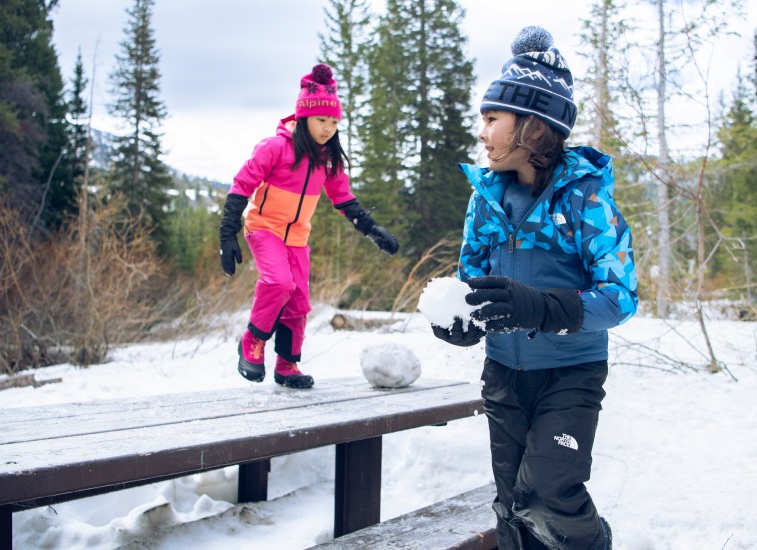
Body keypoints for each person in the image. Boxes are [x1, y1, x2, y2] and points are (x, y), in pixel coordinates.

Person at [432, 27, 638, 549]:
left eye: (492, 118)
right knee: (512, 504)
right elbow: (472, 281)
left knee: (550, 488)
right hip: (504, 373)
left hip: (571, 373)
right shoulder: (487, 199)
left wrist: (544, 309)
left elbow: (620, 297)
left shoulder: (585, 199)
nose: (482, 132)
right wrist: (463, 322)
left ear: (535, 126)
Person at [219, 63, 399, 389]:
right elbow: (242, 184)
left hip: (298, 237)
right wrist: (227, 230)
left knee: (299, 300)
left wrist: (371, 229)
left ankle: (287, 364)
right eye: (321, 120)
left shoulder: (327, 159)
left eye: (333, 121)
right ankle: (252, 341)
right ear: (303, 117)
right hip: (264, 228)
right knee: (278, 283)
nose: (328, 128)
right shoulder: (275, 148)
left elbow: (342, 198)